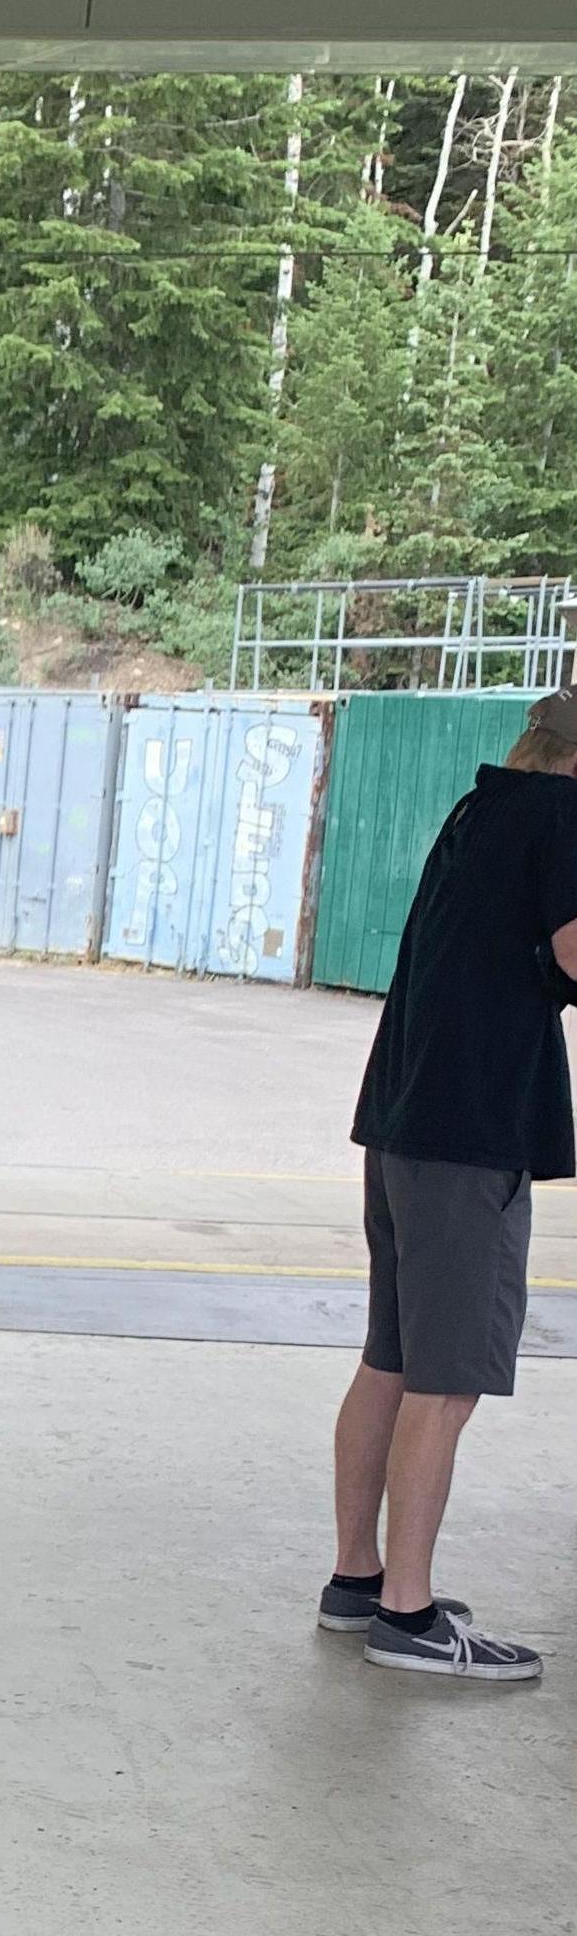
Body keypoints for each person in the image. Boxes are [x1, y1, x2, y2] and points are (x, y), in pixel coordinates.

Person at [322, 688, 577, 1682]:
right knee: (449, 1379)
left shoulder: (482, 811)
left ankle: (359, 1580)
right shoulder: (562, 818)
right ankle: (410, 1614)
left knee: (392, 1361)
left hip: (403, 1126)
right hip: (469, 1138)